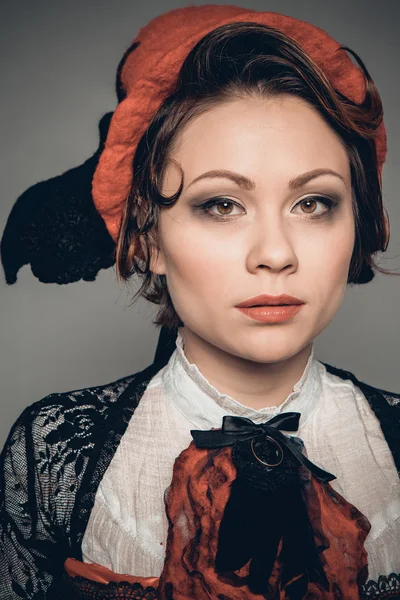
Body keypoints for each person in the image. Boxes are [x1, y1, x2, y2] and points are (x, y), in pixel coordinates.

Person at [1, 5, 399, 600]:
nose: (274, 253)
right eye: (221, 204)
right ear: (148, 239)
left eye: (313, 203)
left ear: (357, 227)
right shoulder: (54, 452)